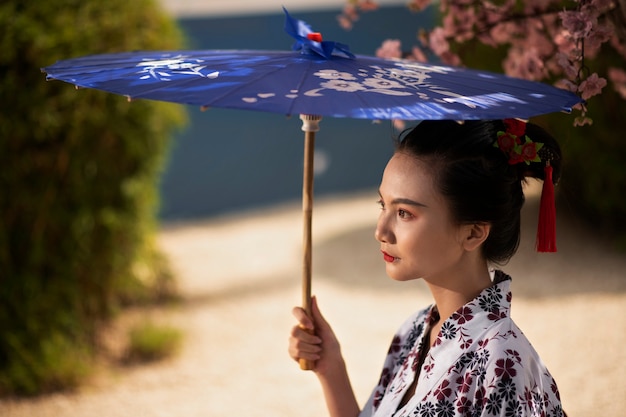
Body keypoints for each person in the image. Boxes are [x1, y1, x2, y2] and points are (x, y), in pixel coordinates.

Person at [288, 119, 565, 417]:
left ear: (473, 233)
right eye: (383, 205)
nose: (380, 230)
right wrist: (331, 370)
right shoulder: (414, 330)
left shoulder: (504, 363)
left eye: (404, 213)